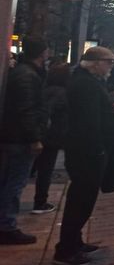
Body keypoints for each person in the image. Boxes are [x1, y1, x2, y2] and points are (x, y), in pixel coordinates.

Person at [54, 47, 114, 264]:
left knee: (83, 200)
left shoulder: (87, 82)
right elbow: (88, 122)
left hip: (87, 151)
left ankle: (75, 241)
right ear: (95, 63)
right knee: (81, 201)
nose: (111, 66)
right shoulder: (85, 84)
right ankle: (66, 249)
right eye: (108, 62)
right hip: (87, 153)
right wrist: (98, 150)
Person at [0, 38, 49, 245]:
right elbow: (27, 109)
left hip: (14, 136)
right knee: (15, 182)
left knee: (10, 180)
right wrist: (35, 138)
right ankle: (6, 226)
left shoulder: (21, 72)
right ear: (42, 53)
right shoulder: (28, 76)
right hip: (19, 138)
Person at [31, 62, 70, 215]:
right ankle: (40, 202)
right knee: (45, 170)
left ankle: (39, 201)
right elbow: (47, 114)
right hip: (50, 137)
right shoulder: (61, 93)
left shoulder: (45, 89)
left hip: (43, 136)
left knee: (36, 167)